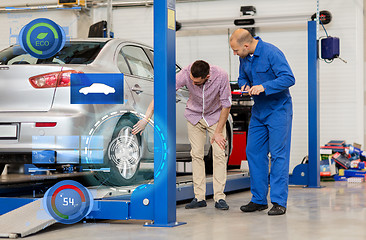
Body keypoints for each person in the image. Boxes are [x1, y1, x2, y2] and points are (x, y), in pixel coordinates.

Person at [132, 60, 232, 210]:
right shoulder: (185, 73)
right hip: (194, 117)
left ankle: (219, 198)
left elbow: (226, 104)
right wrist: (146, 118)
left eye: (196, 83)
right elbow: (162, 92)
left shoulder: (221, 76)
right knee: (196, 155)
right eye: (191, 81)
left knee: (219, 155)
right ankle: (199, 197)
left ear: (207, 76)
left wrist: (218, 132)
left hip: (215, 117)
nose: (192, 83)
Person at [229, 29, 295, 215]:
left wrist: (264, 87)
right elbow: (243, 76)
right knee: (254, 152)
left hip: (278, 110)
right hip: (259, 111)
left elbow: (289, 78)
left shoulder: (272, 53)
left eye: (236, 50)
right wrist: (244, 85)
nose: (235, 54)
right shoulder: (245, 57)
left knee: (278, 155)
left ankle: (279, 202)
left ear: (246, 45)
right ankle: (259, 200)